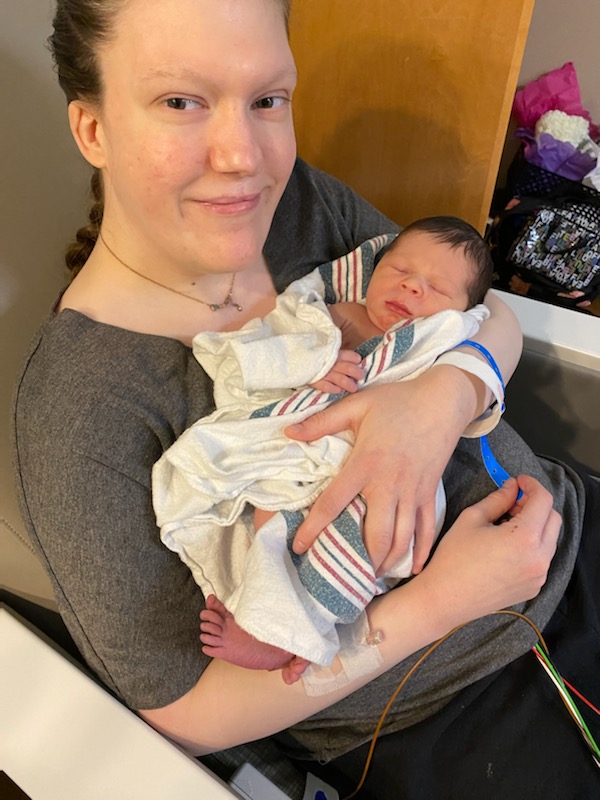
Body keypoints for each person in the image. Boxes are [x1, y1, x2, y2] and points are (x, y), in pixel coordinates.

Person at [11, 1, 598, 797]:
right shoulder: (79, 406)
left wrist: (438, 403)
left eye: (267, 99)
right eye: (180, 100)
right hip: (454, 708)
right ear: (93, 130)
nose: (242, 156)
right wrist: (444, 599)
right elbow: (186, 708)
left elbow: (483, 309)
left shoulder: (297, 209)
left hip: (571, 527)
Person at [153, 217, 496, 685]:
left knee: (362, 531)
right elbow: (258, 350)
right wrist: (311, 362)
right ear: (372, 268)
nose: (412, 287)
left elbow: (487, 336)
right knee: (273, 522)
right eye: (398, 270)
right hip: (300, 443)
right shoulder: (328, 312)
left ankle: (289, 631)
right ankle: (274, 618)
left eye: (435, 287)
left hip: (383, 465)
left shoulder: (439, 341)